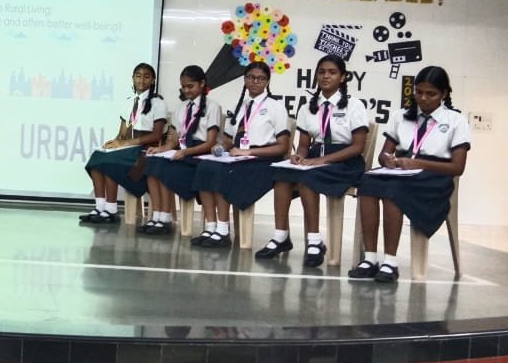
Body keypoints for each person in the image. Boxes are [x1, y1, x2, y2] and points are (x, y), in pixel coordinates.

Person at [349, 65, 469, 283]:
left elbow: (457, 167)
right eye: (419, 92)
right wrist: (387, 160)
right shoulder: (401, 116)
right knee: (367, 182)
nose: (423, 98)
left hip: (434, 175)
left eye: (431, 94)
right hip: (402, 170)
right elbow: (384, 153)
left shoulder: (455, 121)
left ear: (444, 93)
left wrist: (417, 163)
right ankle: (370, 258)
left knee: (393, 190)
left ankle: (390, 262)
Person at [263, 55, 369, 266]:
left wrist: (321, 161)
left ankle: (314, 241)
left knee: (307, 178)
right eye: (321, 72)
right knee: (282, 176)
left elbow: (358, 146)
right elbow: (304, 144)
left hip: (345, 161)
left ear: (343, 77)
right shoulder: (307, 107)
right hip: (316, 158)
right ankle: (281, 236)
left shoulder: (354, 105)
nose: (325, 76)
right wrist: (300, 155)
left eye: (332, 72)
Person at [191, 61, 290, 247]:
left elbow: (283, 147)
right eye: (250, 77)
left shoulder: (276, 106)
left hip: (264, 160)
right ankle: (211, 227)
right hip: (239, 157)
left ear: (267, 81)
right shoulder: (241, 106)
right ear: (244, 80)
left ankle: (223, 230)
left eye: (260, 78)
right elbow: (229, 140)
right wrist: (219, 148)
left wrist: (249, 151)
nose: (255, 82)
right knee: (205, 167)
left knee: (223, 172)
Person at [79, 63, 168, 224]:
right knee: (97, 157)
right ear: (133, 78)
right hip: (129, 147)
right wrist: (113, 143)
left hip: (145, 149)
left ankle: (111, 210)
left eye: (146, 76)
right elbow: (122, 133)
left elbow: (156, 135)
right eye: (138, 76)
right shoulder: (129, 101)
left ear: (153, 80)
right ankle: (100, 207)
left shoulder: (158, 102)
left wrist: (125, 143)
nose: (141, 80)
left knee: (110, 162)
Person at [142, 65, 223, 234]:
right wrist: (162, 149)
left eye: (190, 86)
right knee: (152, 163)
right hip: (183, 151)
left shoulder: (213, 106)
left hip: (200, 154)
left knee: (166, 170)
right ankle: (157, 215)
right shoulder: (181, 107)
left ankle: (166, 218)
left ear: (202, 83)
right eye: (183, 87)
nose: (186, 90)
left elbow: (210, 143)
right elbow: (174, 139)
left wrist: (186, 152)